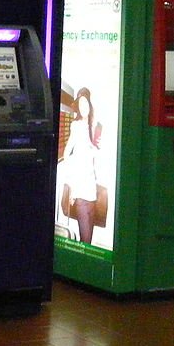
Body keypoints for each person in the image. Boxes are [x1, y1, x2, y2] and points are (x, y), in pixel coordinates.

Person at [60, 88, 105, 244]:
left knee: (88, 239)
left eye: (85, 103)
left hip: (91, 188)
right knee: (85, 241)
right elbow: (66, 153)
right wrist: (71, 185)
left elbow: (98, 155)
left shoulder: (96, 126)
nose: (83, 107)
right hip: (80, 190)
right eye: (80, 104)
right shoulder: (76, 125)